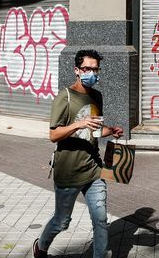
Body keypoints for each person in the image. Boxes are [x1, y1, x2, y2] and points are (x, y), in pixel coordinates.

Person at [34, 49, 124, 258]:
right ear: (76, 70)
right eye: (87, 69)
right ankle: (41, 246)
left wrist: (111, 131)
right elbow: (54, 135)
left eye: (95, 69)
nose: (91, 73)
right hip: (68, 171)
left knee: (100, 219)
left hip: (93, 168)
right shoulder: (64, 97)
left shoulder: (97, 96)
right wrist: (78, 123)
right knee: (61, 222)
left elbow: (93, 130)